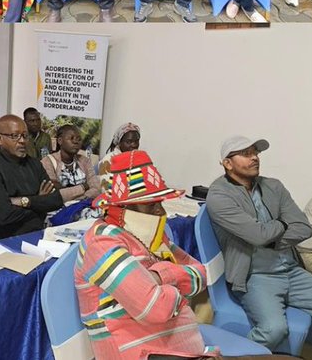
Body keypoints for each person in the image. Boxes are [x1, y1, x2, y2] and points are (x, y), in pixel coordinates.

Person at [205, 136, 312, 350]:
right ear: (227, 163)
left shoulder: (273, 186)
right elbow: (258, 236)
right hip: (254, 276)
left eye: (256, 152)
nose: (254, 157)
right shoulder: (219, 195)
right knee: (274, 329)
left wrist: (272, 241)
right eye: (246, 154)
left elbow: (303, 227)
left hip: (290, 270)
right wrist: (281, 223)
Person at [75, 150, 216, 360]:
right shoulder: (102, 242)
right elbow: (155, 309)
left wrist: (162, 275)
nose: (161, 212)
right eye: (151, 205)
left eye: (160, 203)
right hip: (142, 353)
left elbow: (202, 274)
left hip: (174, 347)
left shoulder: (149, 236)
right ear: (123, 207)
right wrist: (181, 291)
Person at [0, 114, 65, 237]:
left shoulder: (34, 163)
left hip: (38, 231)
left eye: (25, 135)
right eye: (15, 136)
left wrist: (24, 201)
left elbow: (56, 200)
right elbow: (4, 215)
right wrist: (39, 201)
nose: (22, 141)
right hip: (6, 238)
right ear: (0, 139)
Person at [40, 125, 99, 203]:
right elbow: (54, 195)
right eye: (71, 138)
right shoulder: (47, 161)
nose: (76, 142)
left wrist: (77, 201)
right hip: (57, 211)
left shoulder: (85, 161)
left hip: (83, 206)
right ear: (60, 141)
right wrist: (84, 187)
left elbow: (96, 188)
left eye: (79, 139)